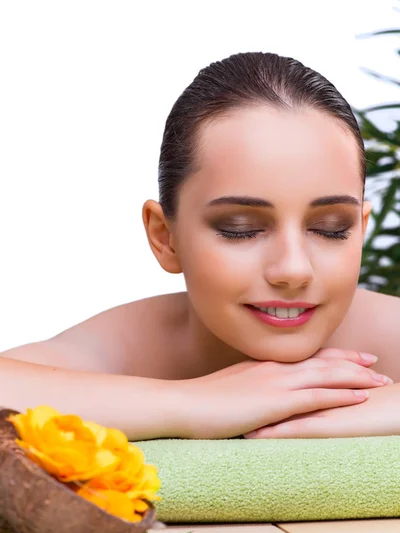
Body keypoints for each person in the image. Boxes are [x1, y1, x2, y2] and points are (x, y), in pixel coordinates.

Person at [2, 52, 400, 441]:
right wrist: (195, 402)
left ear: (361, 230)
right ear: (165, 237)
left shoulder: (385, 332)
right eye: (239, 228)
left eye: (330, 229)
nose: (293, 269)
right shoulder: (134, 343)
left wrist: (363, 411)